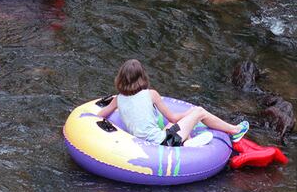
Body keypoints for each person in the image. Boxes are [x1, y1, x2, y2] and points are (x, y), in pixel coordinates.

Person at [95, 59, 250, 147]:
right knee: (200, 111)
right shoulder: (151, 94)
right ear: (142, 77)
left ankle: (187, 141)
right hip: (163, 142)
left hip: (143, 143)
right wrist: (191, 113)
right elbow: (174, 118)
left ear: (120, 78)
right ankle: (235, 131)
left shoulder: (118, 99)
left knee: (173, 125)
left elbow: (99, 115)